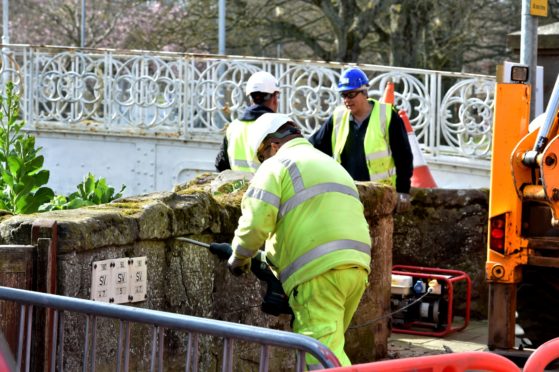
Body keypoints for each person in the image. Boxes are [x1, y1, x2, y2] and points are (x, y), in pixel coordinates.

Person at [227, 113, 371, 368]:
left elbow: (256, 222)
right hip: (356, 267)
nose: (263, 162)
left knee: (317, 358)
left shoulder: (276, 164)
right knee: (332, 350)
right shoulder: (330, 164)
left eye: (261, 156)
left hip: (318, 273)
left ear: (271, 145)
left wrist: (239, 257)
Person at [309, 67, 414, 211]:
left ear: (364, 92)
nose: (347, 100)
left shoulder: (387, 116)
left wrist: (403, 190)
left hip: (380, 196)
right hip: (347, 196)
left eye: (351, 94)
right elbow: (314, 147)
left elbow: (404, 156)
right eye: (343, 95)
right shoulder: (337, 118)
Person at [214, 71, 280, 173]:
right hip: (267, 188)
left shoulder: (233, 127)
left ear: (250, 98)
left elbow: (221, 165)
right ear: (274, 98)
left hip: (238, 187)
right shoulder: (280, 127)